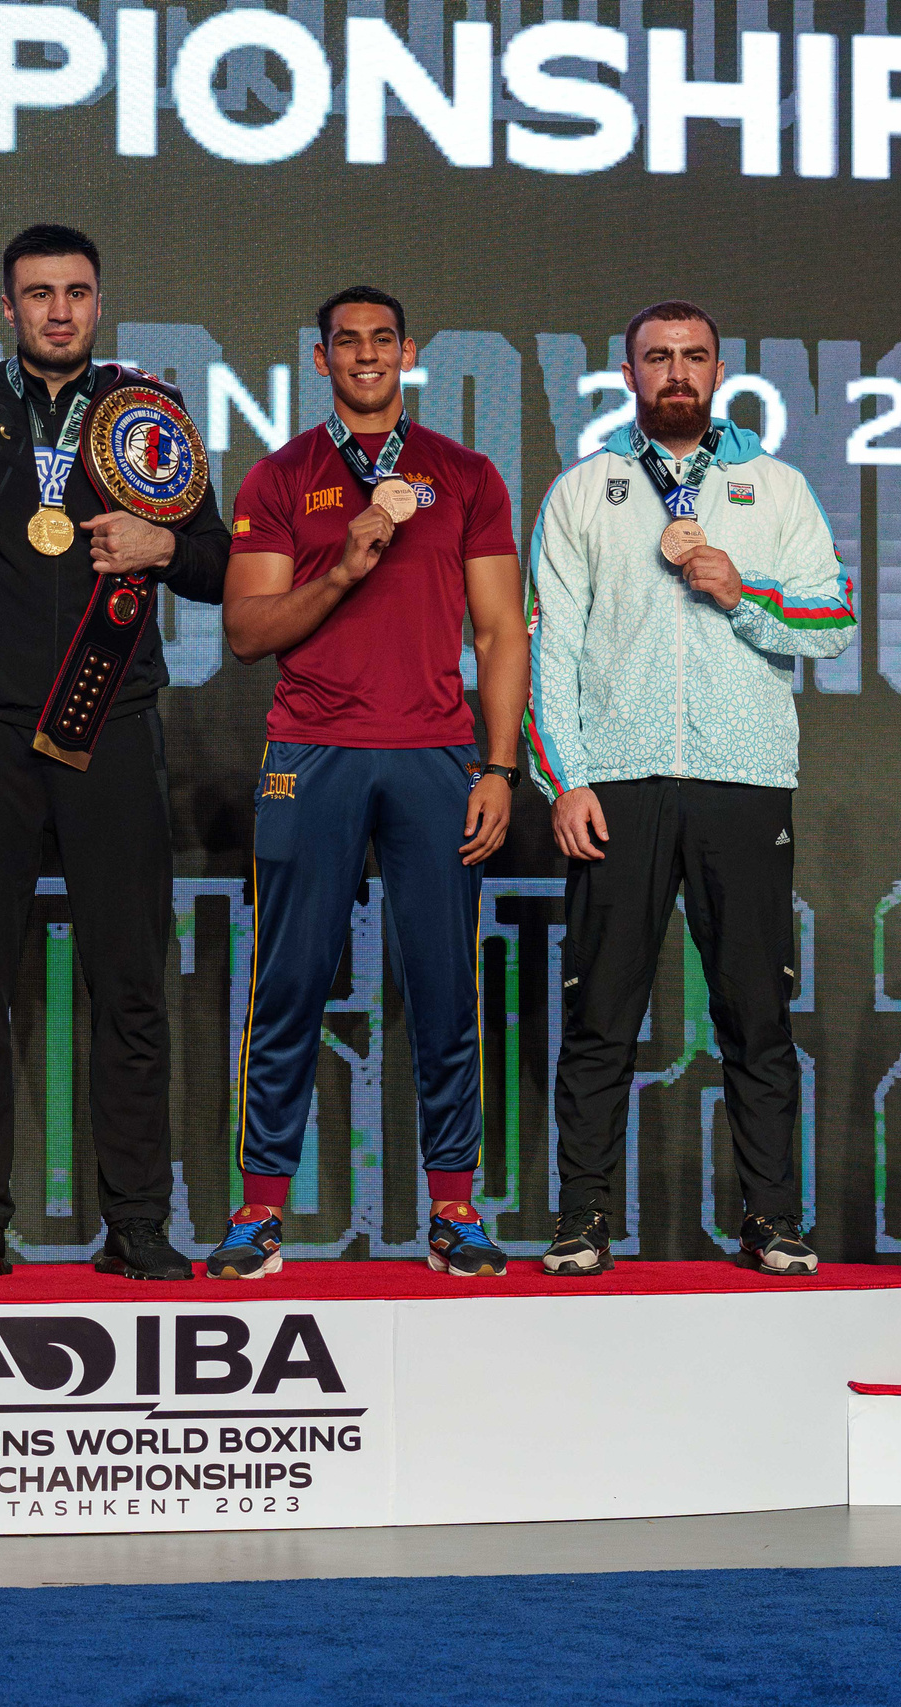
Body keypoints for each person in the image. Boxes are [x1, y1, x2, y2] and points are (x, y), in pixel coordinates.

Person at [0, 223, 230, 1283]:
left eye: (77, 290)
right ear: (7, 308)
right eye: (38, 293)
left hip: (111, 727)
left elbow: (219, 564)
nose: (60, 310)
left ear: (97, 299)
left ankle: (136, 1224)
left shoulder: (145, 415)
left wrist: (161, 544)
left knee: (130, 982)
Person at [527, 299, 856, 1281]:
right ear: (627, 374)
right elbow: (555, 648)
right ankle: (582, 1220)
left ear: (720, 371)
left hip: (743, 781)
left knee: (757, 1014)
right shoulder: (587, 490)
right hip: (617, 786)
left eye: (694, 357)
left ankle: (773, 1221)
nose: (676, 372)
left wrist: (739, 592)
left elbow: (831, 621)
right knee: (599, 1015)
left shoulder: (775, 487)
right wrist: (567, 779)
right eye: (656, 358)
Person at [214, 285, 528, 1278]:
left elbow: (498, 630)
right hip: (311, 751)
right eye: (345, 343)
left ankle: (456, 1209)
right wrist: (344, 569)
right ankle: (260, 1211)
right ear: (320, 361)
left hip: (436, 755)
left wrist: (499, 764)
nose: (364, 356)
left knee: (444, 986)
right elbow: (245, 631)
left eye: (381, 340)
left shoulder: (465, 474)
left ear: (407, 353)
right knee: (290, 984)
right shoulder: (279, 477)